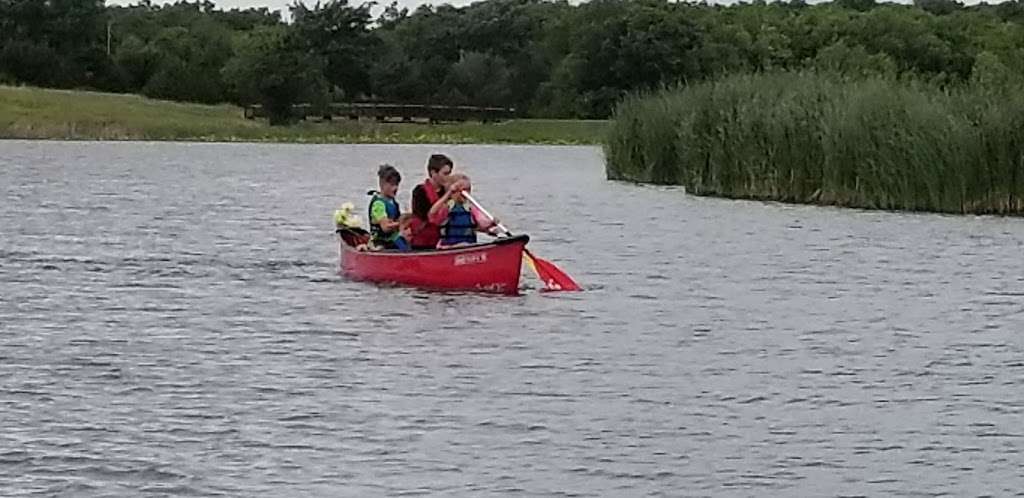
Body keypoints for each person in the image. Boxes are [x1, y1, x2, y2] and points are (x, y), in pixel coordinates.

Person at [428, 173, 500, 248]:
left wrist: (491, 223)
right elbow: (432, 214)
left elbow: (482, 223)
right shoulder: (447, 207)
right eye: (462, 190)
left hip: (468, 246)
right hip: (449, 247)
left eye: (468, 189)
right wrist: (449, 193)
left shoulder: (470, 208)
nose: (466, 193)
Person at [409, 154, 453, 249]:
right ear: (433, 173)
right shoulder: (419, 192)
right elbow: (427, 216)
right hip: (423, 242)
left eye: (449, 173)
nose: (448, 177)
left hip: (443, 242)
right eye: (445, 174)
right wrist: (447, 195)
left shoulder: (447, 191)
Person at [368, 164, 403, 249]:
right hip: (381, 242)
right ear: (382, 184)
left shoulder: (393, 202)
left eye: (397, 185)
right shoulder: (378, 204)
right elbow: (385, 227)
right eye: (391, 185)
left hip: (393, 240)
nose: (395, 188)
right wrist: (402, 223)